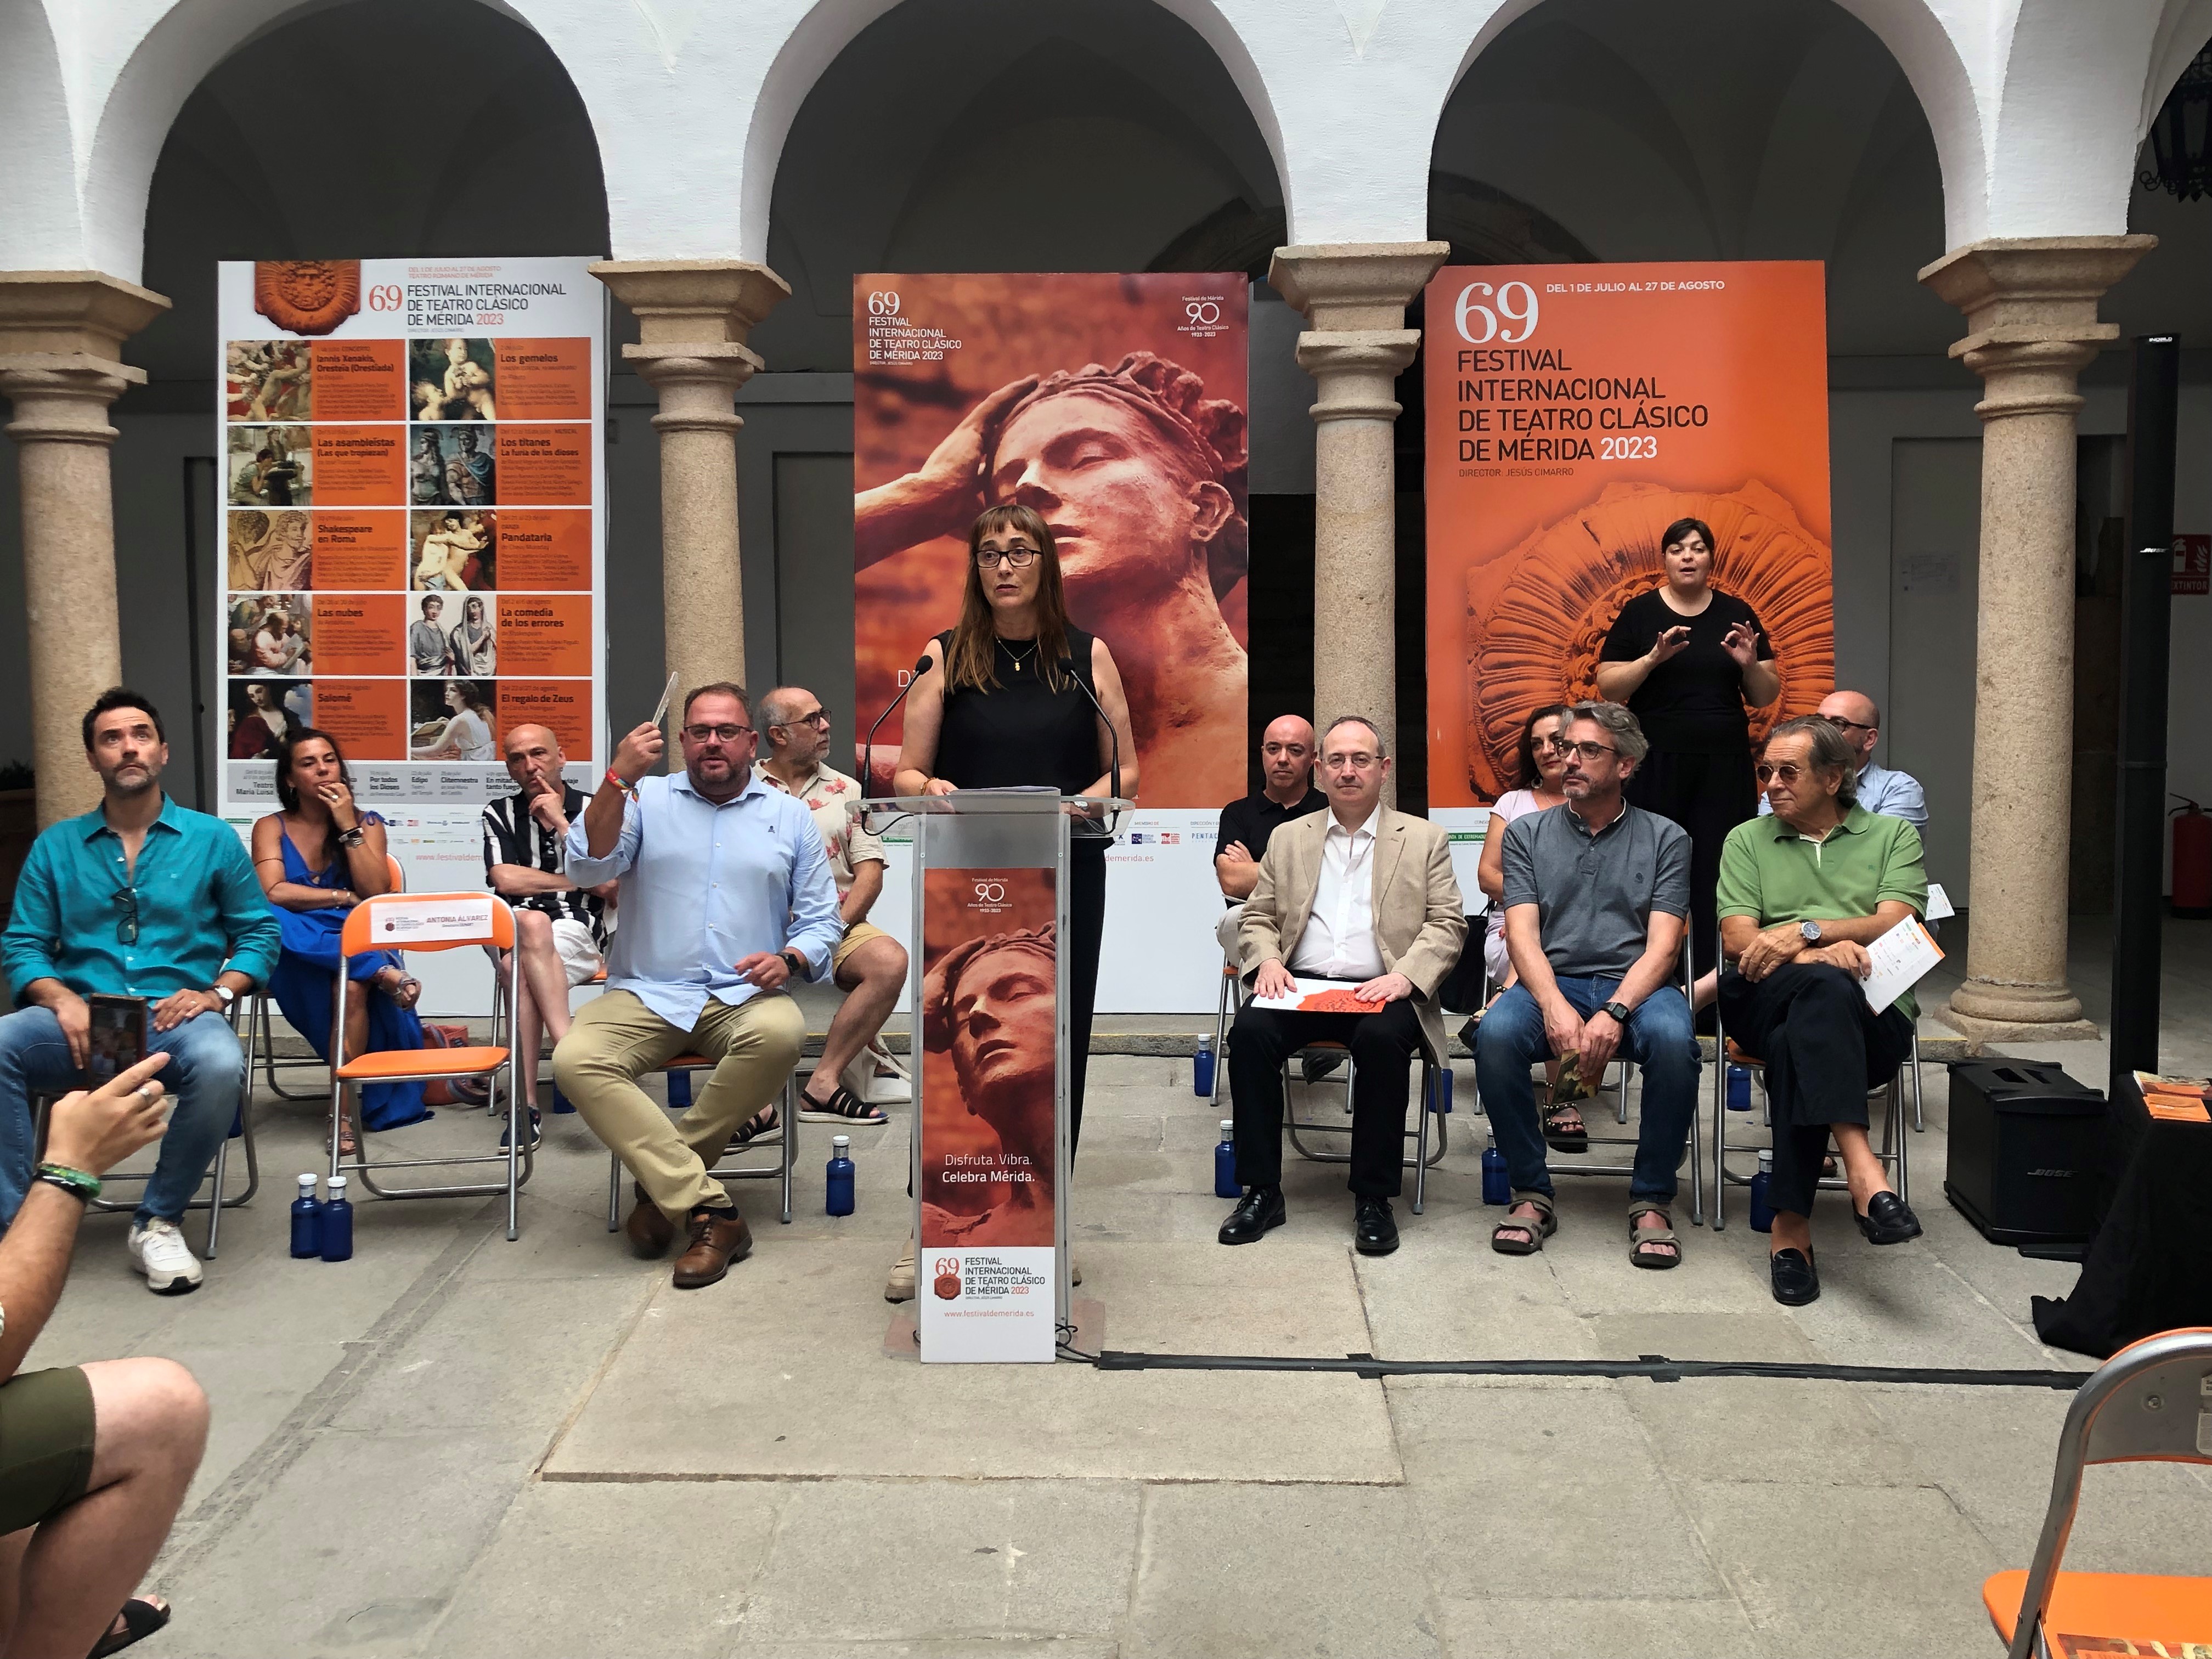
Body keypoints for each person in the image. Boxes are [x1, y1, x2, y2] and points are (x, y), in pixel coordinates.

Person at [885, 504, 1138, 1300]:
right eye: (990, 553)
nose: (1004, 565)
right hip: (965, 866)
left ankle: (1048, 1220)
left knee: (1059, 1044)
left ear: (1044, 564)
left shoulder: (1086, 655)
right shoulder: (945, 655)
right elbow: (903, 774)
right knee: (958, 1062)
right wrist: (933, 788)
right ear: (975, 568)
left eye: (1020, 551)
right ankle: (928, 1229)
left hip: (1066, 866)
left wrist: (1081, 804)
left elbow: (1124, 774)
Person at [554, 683, 842, 1290]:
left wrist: (789, 959)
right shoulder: (644, 799)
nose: (713, 742)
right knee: (577, 1060)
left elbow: (822, 921)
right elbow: (586, 866)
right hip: (647, 992)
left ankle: (663, 1190)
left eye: (727, 731)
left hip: (742, 995)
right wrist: (615, 779)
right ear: (681, 741)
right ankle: (710, 1209)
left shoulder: (788, 814)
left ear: (753, 743)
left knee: (782, 1032)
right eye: (700, 731)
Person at [858, 352, 1244, 803]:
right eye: (1007, 489)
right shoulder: (962, 688)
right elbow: (777, 551)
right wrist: (923, 495)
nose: (1028, 488)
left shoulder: (1267, 735)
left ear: (1203, 510)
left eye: (1085, 457)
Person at [0, 689, 280, 1295]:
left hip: (175, 1020)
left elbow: (258, 932)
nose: (128, 746)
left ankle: (157, 1220)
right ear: (92, 759)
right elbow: (22, 943)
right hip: (81, 1022)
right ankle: (19, 1224)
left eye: (140, 734)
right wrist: (58, 997)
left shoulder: (211, 840)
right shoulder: (57, 846)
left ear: (163, 751)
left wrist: (218, 995)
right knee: (1, 1042)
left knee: (222, 1060)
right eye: (111, 738)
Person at [1217, 715, 1466, 1257]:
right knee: (1252, 1031)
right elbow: (1254, 916)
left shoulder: (1423, 839)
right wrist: (1266, 963)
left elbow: (1448, 924)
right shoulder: (1288, 838)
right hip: (1298, 986)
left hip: (1383, 987)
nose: (1347, 771)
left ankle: (1374, 1199)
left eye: (1360, 760)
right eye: (1336, 760)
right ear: (1320, 769)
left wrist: (1405, 976)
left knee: (1382, 1042)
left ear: (1383, 769)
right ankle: (1261, 1192)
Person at [1475, 702, 1701, 1268]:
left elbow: (1665, 947)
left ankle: (1652, 1198)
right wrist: (1553, 1006)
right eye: (1565, 747)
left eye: (1586, 751)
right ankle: (1531, 1192)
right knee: (1496, 1036)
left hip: (1639, 987)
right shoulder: (1527, 833)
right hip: (1556, 980)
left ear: (1625, 766)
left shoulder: (1666, 837)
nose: (1565, 759)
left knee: (1677, 1045)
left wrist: (1615, 1012)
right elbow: (1522, 936)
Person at [0, 1052, 210, 1657]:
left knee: (41, 1422)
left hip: (177, 1014)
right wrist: (69, 1172)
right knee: (160, 1412)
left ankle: (31, 1624)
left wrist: (218, 993)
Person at [1717, 715, 1928, 1305]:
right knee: (1823, 989)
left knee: (1801, 1033)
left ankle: (1790, 1228)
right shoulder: (1747, 840)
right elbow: (1738, 940)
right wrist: (1825, 954)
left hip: (1874, 1013)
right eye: (1766, 771)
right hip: (1760, 994)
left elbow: (1898, 921)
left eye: (1788, 771)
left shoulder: (1891, 837)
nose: (1771, 784)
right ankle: (1864, 1173)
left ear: (1835, 777)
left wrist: (1806, 934)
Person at [1594, 515, 1780, 981]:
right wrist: (1653, 658)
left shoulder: (1737, 611)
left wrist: (1749, 663)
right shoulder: (1640, 613)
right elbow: (1609, 686)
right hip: (1655, 762)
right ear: (1665, 559)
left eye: (1697, 548)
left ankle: (1709, 993)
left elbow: (1764, 695)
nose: (1688, 556)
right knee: (1653, 867)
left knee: (1717, 872)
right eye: (1678, 549)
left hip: (1724, 763)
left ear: (1711, 557)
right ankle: (1649, 982)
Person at [251, 729, 427, 1153]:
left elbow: (377, 893)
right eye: (308, 763)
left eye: (329, 759)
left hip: (352, 936)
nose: (323, 769)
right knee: (270, 918)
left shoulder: (367, 823)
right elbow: (273, 892)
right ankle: (381, 970)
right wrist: (341, 896)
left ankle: (342, 1114)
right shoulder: (269, 827)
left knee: (350, 985)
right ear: (290, 779)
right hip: (296, 947)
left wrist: (347, 825)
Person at [753, 686, 905, 1128]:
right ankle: (754, 1102)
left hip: (835, 922)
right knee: (727, 964)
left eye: (825, 714)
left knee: (890, 961)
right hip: (757, 927)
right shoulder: (743, 787)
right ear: (778, 735)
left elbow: (871, 872)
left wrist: (833, 929)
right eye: (813, 719)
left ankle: (823, 1083)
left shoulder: (848, 788)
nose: (826, 726)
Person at [483, 723, 612, 1130]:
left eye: (538, 753)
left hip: (580, 929)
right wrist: (577, 879)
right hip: (515, 929)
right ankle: (570, 1051)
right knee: (529, 922)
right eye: (518, 758)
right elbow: (505, 880)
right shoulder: (498, 812)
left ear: (561, 758)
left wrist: (561, 823)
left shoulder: (596, 809)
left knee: (512, 970)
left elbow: (611, 885)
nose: (530, 765)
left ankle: (525, 1107)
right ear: (509, 767)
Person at [1473, 703, 1577, 1145]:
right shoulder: (1512, 803)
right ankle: (1562, 1098)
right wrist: (1526, 913)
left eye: (1555, 740)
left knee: (1564, 954)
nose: (1546, 750)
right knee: (1548, 955)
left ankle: (1500, 1004)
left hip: (1576, 934)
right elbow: (1487, 876)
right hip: (1509, 930)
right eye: (1536, 743)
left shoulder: (1596, 803)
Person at [916, 923, 1057, 1248]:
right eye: (963, 1019)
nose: (979, 1014)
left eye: (1017, 993)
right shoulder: (938, 1235)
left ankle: (1058, 1246)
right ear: (962, 1086)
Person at [1213, 714, 1324, 960]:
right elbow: (1231, 880)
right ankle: (1264, 992)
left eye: (1295, 750)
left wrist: (1253, 868)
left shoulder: (1328, 811)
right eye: (1274, 749)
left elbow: (1330, 878)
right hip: (1247, 917)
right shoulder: (1237, 813)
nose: (1282, 759)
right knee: (1240, 925)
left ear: (1313, 760)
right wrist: (1305, 873)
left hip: (1314, 923)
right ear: (1263, 753)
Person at [1757, 690, 1927, 830]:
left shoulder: (1896, 789)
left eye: (1838, 724)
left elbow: (1880, 855)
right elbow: (1768, 850)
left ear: (1869, 739)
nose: (1823, 732)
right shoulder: (1781, 785)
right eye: (1819, 722)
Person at [410, 680, 495, 761]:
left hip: (474, 760)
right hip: (484, 756)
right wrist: (450, 724)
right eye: (447, 690)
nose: (447, 694)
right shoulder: (476, 713)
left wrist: (408, 750)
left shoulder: (459, 720)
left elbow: (436, 750)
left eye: (453, 690)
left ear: (463, 695)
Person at [227, 681, 289, 760]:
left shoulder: (287, 712)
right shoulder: (251, 722)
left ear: (268, 689)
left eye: (259, 692)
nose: (257, 699)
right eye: (252, 696)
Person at [448, 595, 496, 676]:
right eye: (469, 608)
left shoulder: (489, 628)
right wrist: (483, 637)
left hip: (490, 670)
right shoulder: (459, 632)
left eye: (474, 607)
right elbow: (467, 653)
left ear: (481, 608)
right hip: (468, 672)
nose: (472, 611)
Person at [448, 427, 493, 507]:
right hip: (466, 501)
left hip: (485, 500)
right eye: (461, 440)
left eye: (467, 439)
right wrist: (465, 505)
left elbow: (494, 483)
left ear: (474, 441)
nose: (463, 443)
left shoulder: (485, 459)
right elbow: (452, 487)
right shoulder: (455, 460)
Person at [409, 594, 452, 675]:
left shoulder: (442, 631)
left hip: (443, 672)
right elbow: (411, 656)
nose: (435, 612)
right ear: (424, 609)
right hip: (423, 674)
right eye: (431, 607)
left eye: (438, 608)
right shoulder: (417, 628)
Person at [410, 430, 450, 506]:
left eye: (423, 443)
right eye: (420, 443)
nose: (421, 446)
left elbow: (443, 486)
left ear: (431, 443)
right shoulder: (413, 462)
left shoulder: (439, 464)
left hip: (435, 500)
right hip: (416, 501)